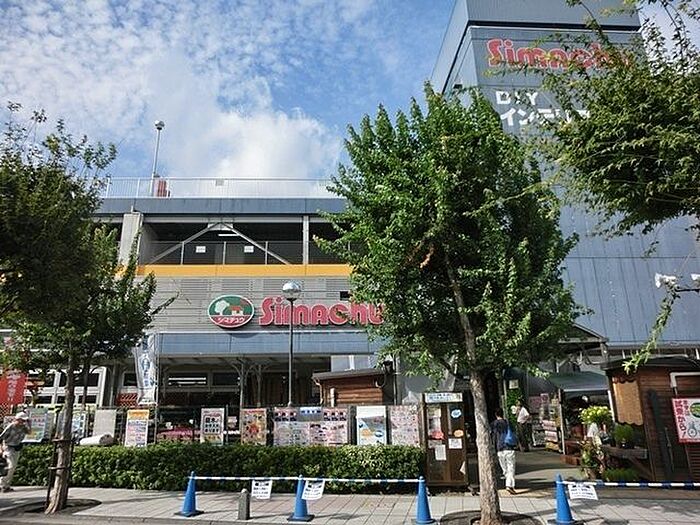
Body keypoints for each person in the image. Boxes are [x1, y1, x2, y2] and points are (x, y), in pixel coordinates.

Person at [0, 412, 31, 492]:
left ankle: (6, 485)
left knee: (13, 468)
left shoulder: (23, 427)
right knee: (10, 466)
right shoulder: (11, 426)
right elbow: (2, 437)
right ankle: (2, 484)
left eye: (24, 420)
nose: (23, 422)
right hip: (8, 448)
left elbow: (29, 432)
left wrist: (29, 423)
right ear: (17, 419)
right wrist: (1, 449)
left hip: (17, 448)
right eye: (22, 420)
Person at [491, 407, 517, 494]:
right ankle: (509, 485)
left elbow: (493, 438)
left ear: (495, 414)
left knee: (505, 469)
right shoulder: (508, 423)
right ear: (502, 413)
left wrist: (494, 449)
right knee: (511, 467)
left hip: (499, 448)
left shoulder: (494, 424)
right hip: (509, 447)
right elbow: (514, 433)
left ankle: (508, 483)